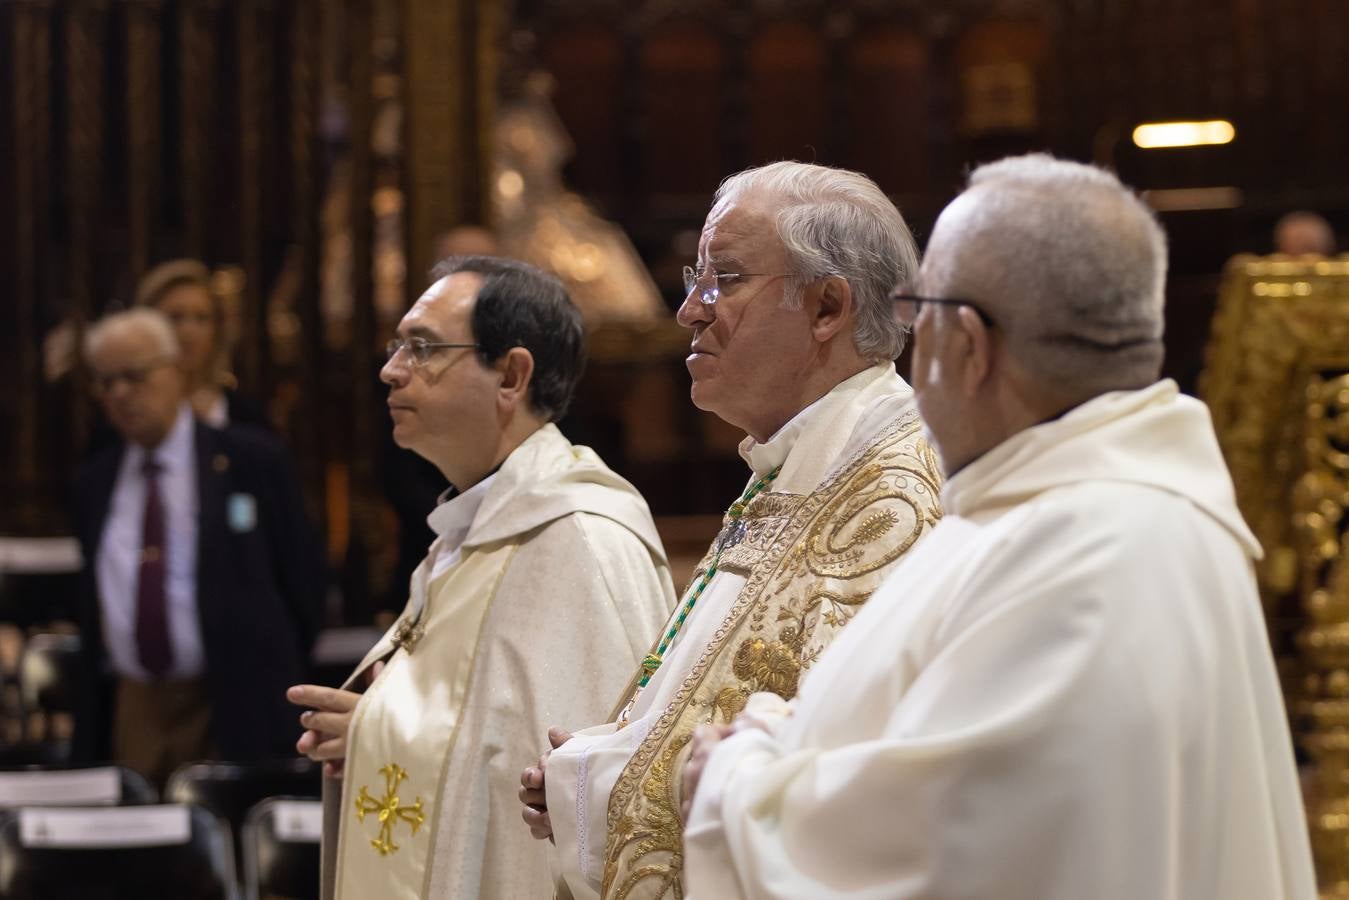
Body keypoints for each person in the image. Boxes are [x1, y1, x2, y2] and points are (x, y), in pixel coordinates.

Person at [680, 154, 1317, 899]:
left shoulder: (1084, 551)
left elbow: (955, 852)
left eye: (918, 315)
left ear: (969, 348)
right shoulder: (1096, 507)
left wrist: (732, 781)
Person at [520, 161, 944, 900]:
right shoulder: (795, 467)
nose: (689, 309)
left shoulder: (893, 501)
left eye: (725, 279)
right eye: (695, 277)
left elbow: (839, 781)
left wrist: (600, 784)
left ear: (826, 307)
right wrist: (595, 764)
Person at [287, 256, 675, 900]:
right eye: (397, 346)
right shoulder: (468, 534)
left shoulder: (581, 538)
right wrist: (374, 727)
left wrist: (376, 731)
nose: (391, 369)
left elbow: (584, 788)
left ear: (512, 375)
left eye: (423, 348)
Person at [72, 309, 323, 786]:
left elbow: (303, 585)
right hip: (135, 707)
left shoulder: (250, 460)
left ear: (177, 371)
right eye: (105, 383)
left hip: (231, 700)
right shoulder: (95, 481)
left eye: (134, 376)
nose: (120, 394)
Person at [135, 258, 269, 429]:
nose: (189, 331)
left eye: (202, 318)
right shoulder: (126, 413)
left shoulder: (246, 415)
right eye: (175, 317)